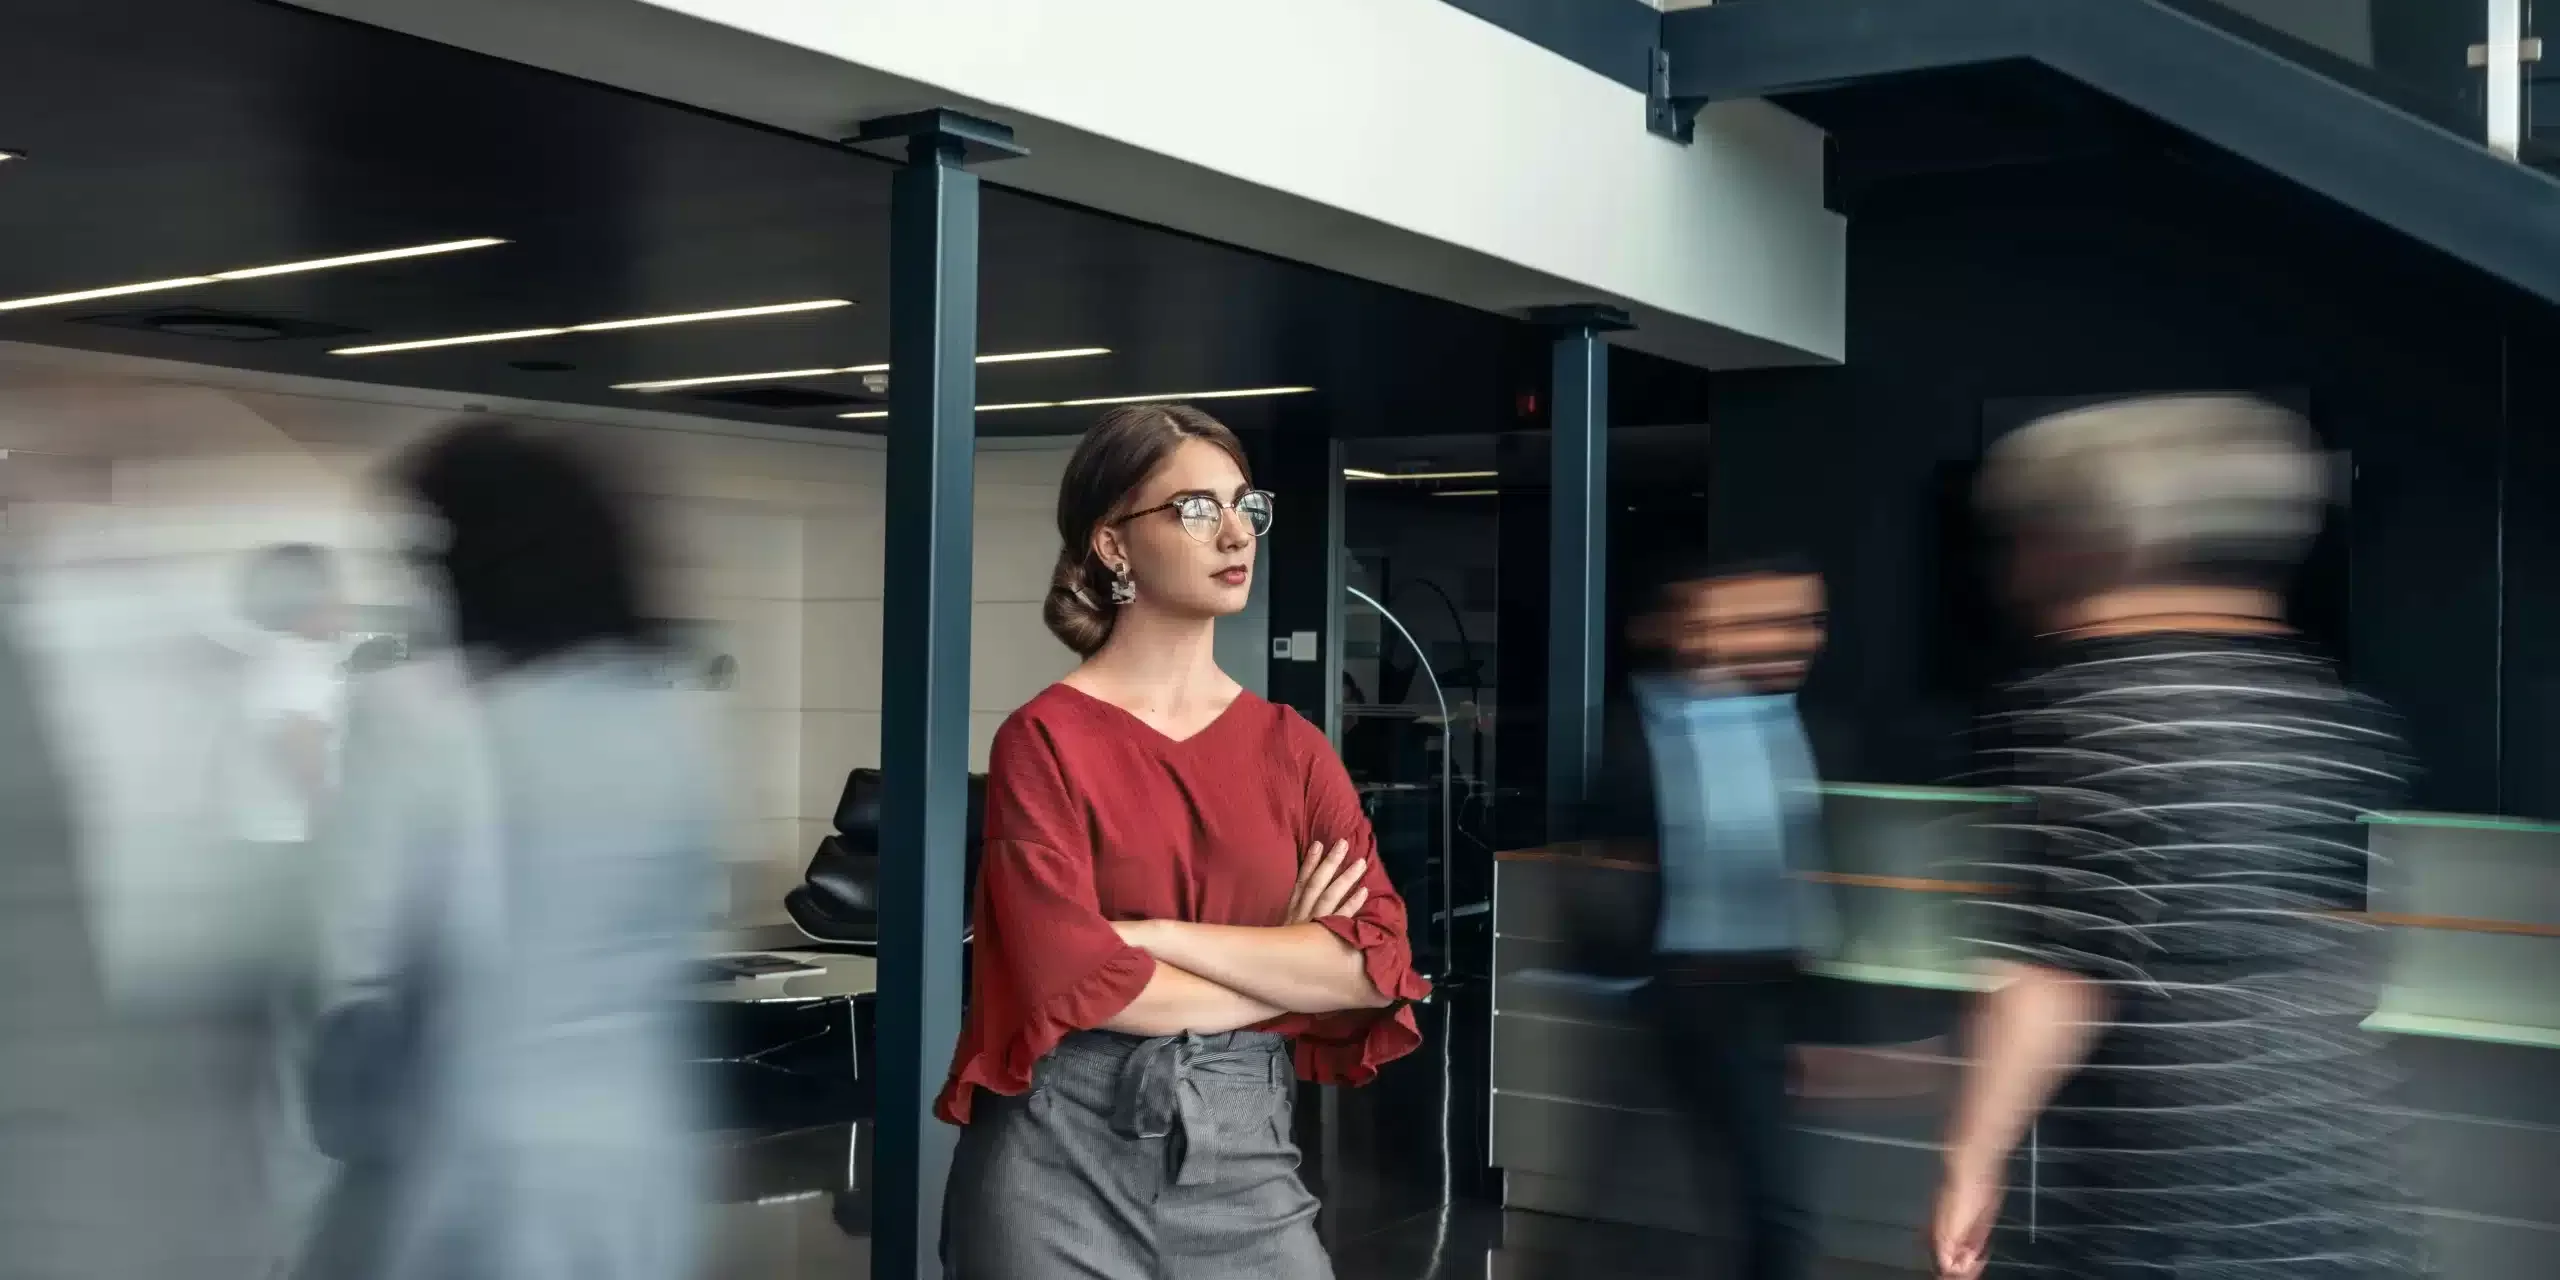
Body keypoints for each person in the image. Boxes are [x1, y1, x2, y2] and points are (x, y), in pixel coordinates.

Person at [1930, 394, 2420, 1280]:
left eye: (2025, 536)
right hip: (2330, 1164)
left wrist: (1971, 1157)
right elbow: (2327, 942)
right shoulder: (2322, 707)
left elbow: (2061, 982)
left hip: (2170, 1188)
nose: (2012, 571)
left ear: (2093, 542)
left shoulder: (2102, 706)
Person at [938, 403, 1431, 1279]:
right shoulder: (1044, 739)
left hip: (1249, 1160)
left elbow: (1376, 965)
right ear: (1114, 545)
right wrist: (1290, 966)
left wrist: (1154, 938)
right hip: (1057, 1164)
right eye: (1196, 509)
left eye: (1245, 505)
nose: (1235, 531)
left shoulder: (1293, 746)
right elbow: (1079, 985)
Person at [296, 418, 712, 1280]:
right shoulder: (668, 715)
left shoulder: (427, 717)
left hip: (471, 1164)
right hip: (633, 1158)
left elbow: (368, 954)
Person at [1608, 556, 1833, 1280]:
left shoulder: (1794, 723)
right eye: (1772, 620)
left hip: (1755, 1000)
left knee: (1769, 1207)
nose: (1799, 639)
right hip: (1671, 995)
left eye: (1808, 621)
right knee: (1638, 1204)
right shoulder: (1648, 723)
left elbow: (1799, 875)